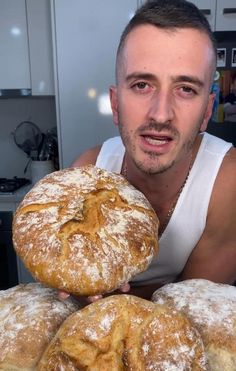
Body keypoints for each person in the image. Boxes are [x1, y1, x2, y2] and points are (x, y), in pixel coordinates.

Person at [63, 0, 236, 302]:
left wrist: (109, 296)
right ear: (116, 104)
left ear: (207, 111)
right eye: (142, 85)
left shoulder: (227, 183)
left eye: (186, 89)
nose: (160, 114)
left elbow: (189, 308)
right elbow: (72, 299)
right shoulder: (86, 174)